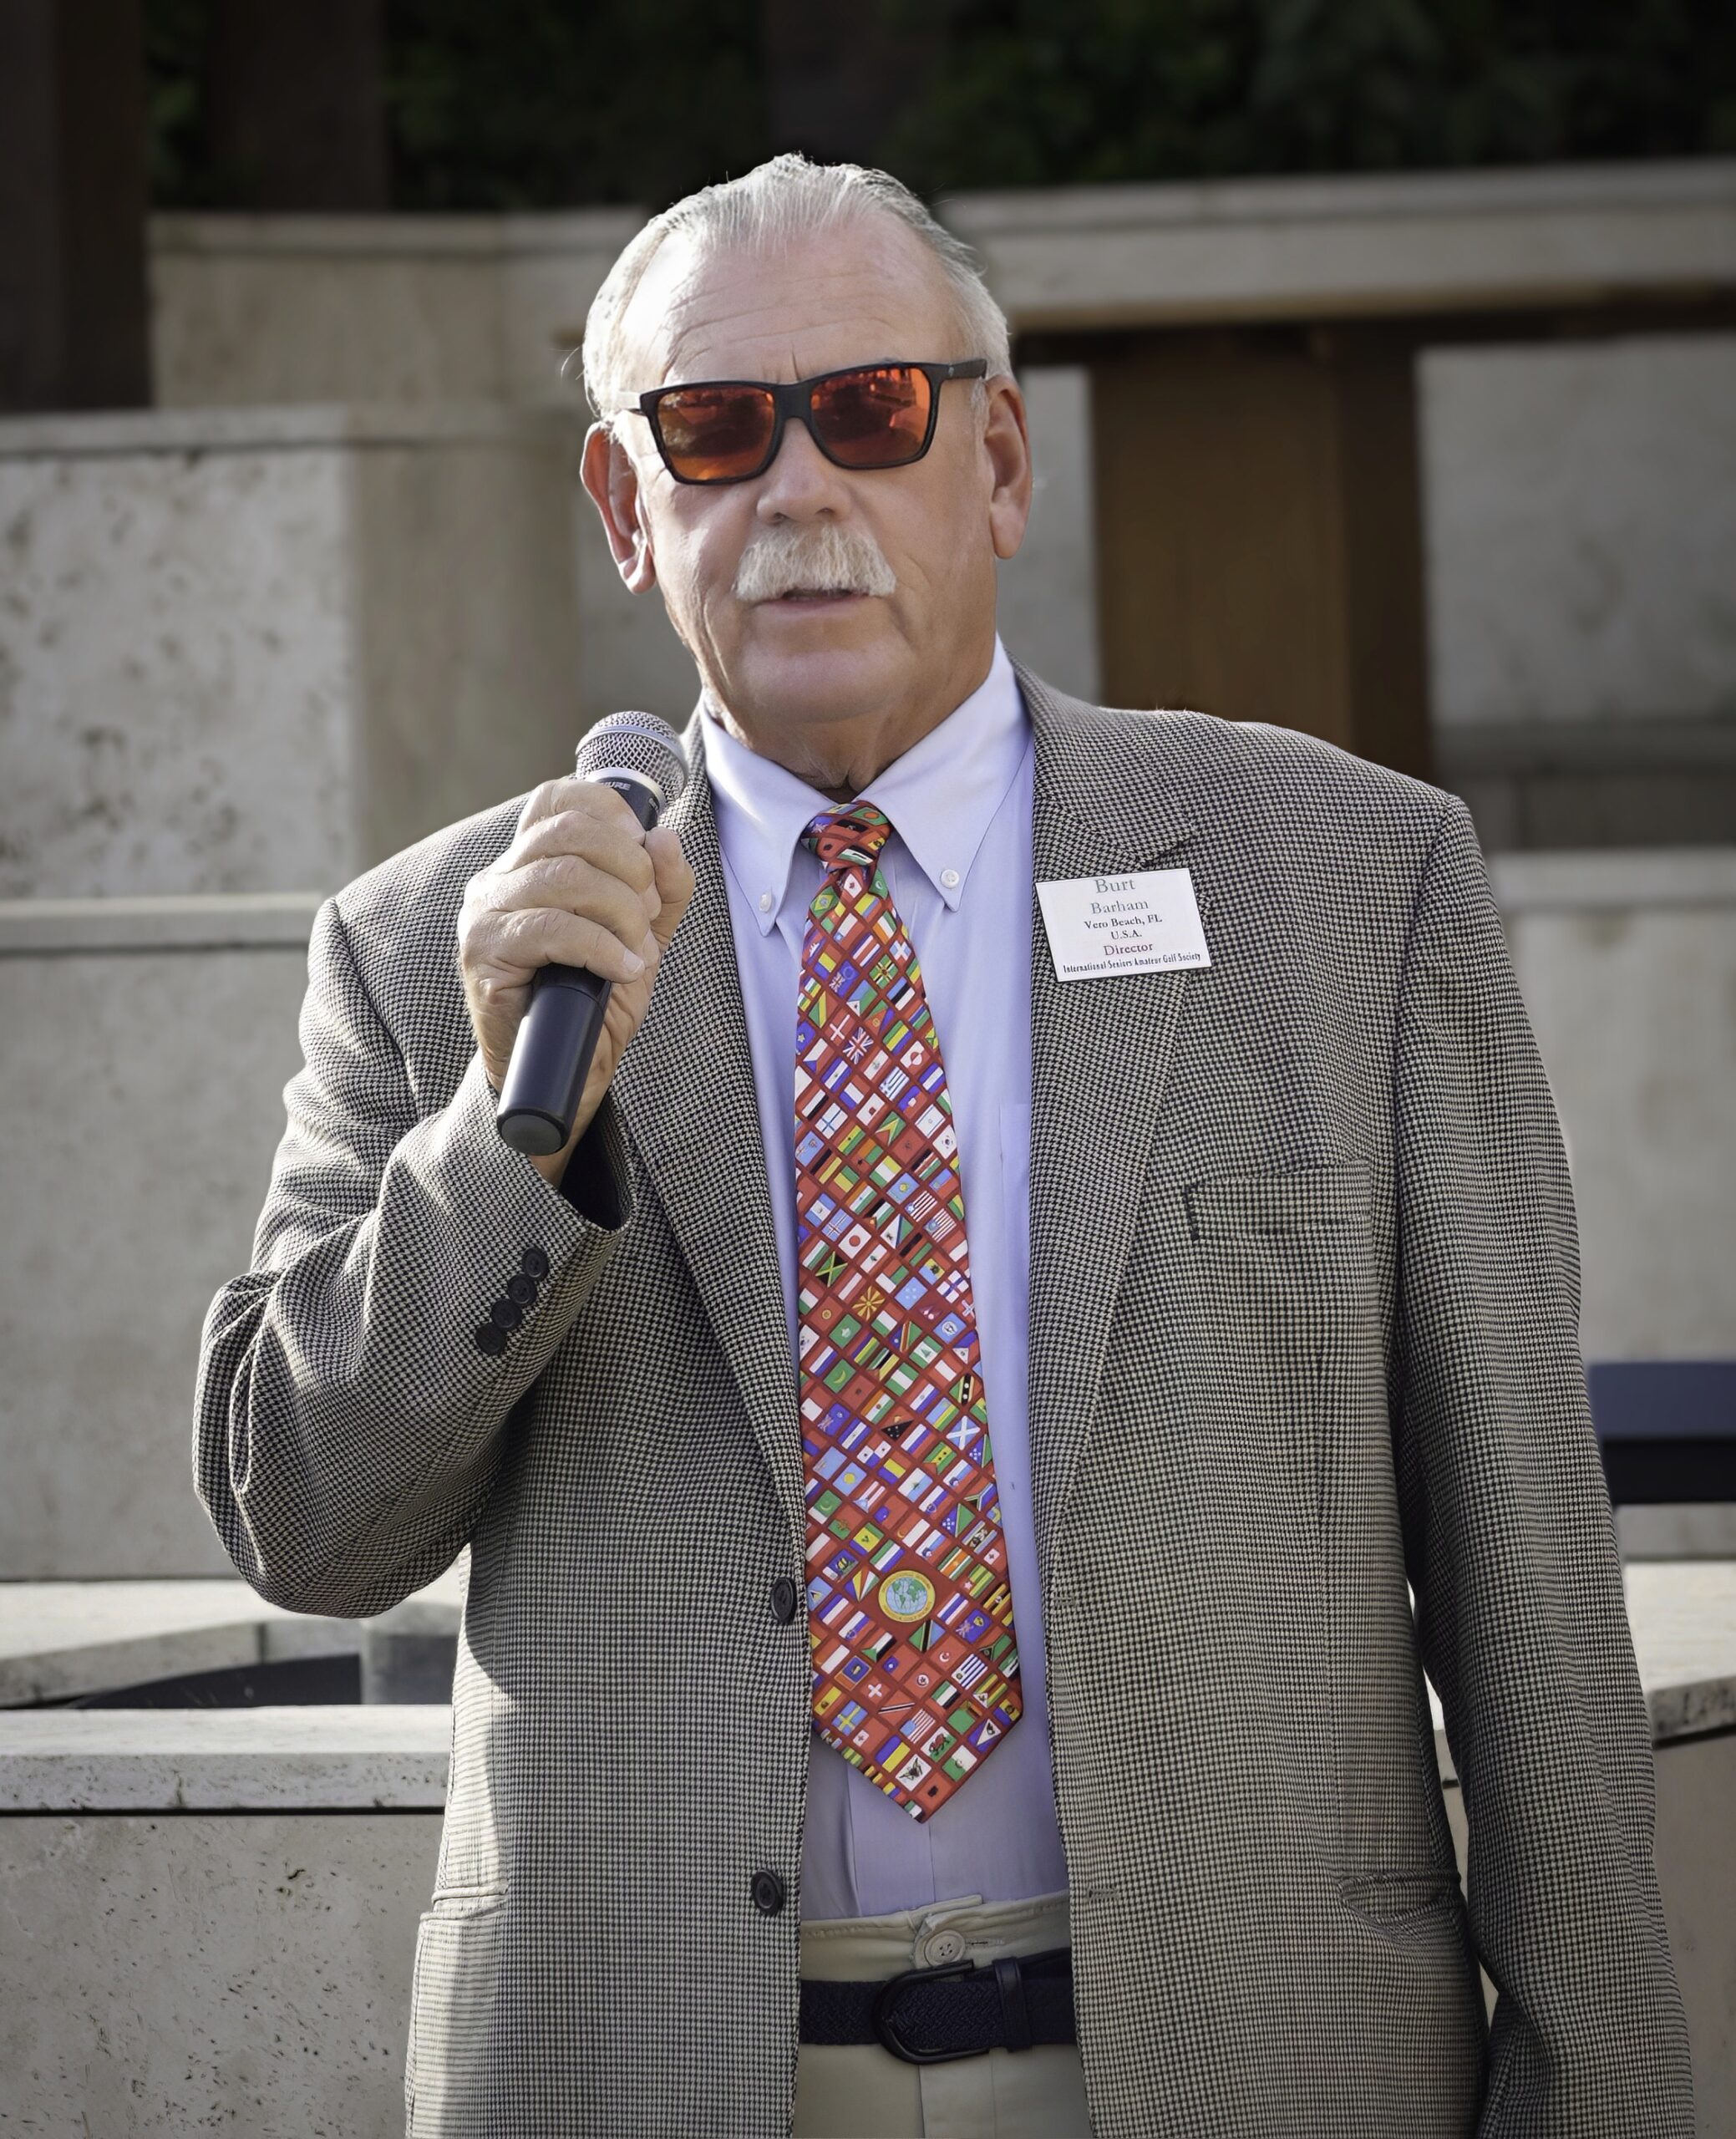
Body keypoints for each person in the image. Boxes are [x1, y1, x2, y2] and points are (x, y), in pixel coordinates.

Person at [195, 155, 1692, 2138]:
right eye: (716, 429)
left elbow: (1526, 1580)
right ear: (628, 507)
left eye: (870, 409)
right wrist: (504, 1144)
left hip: (1253, 2062)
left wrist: (1602, 2093)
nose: (796, 488)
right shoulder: (438, 949)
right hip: (656, 2074)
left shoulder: (1348, 885)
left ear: (995, 463)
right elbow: (302, 1522)